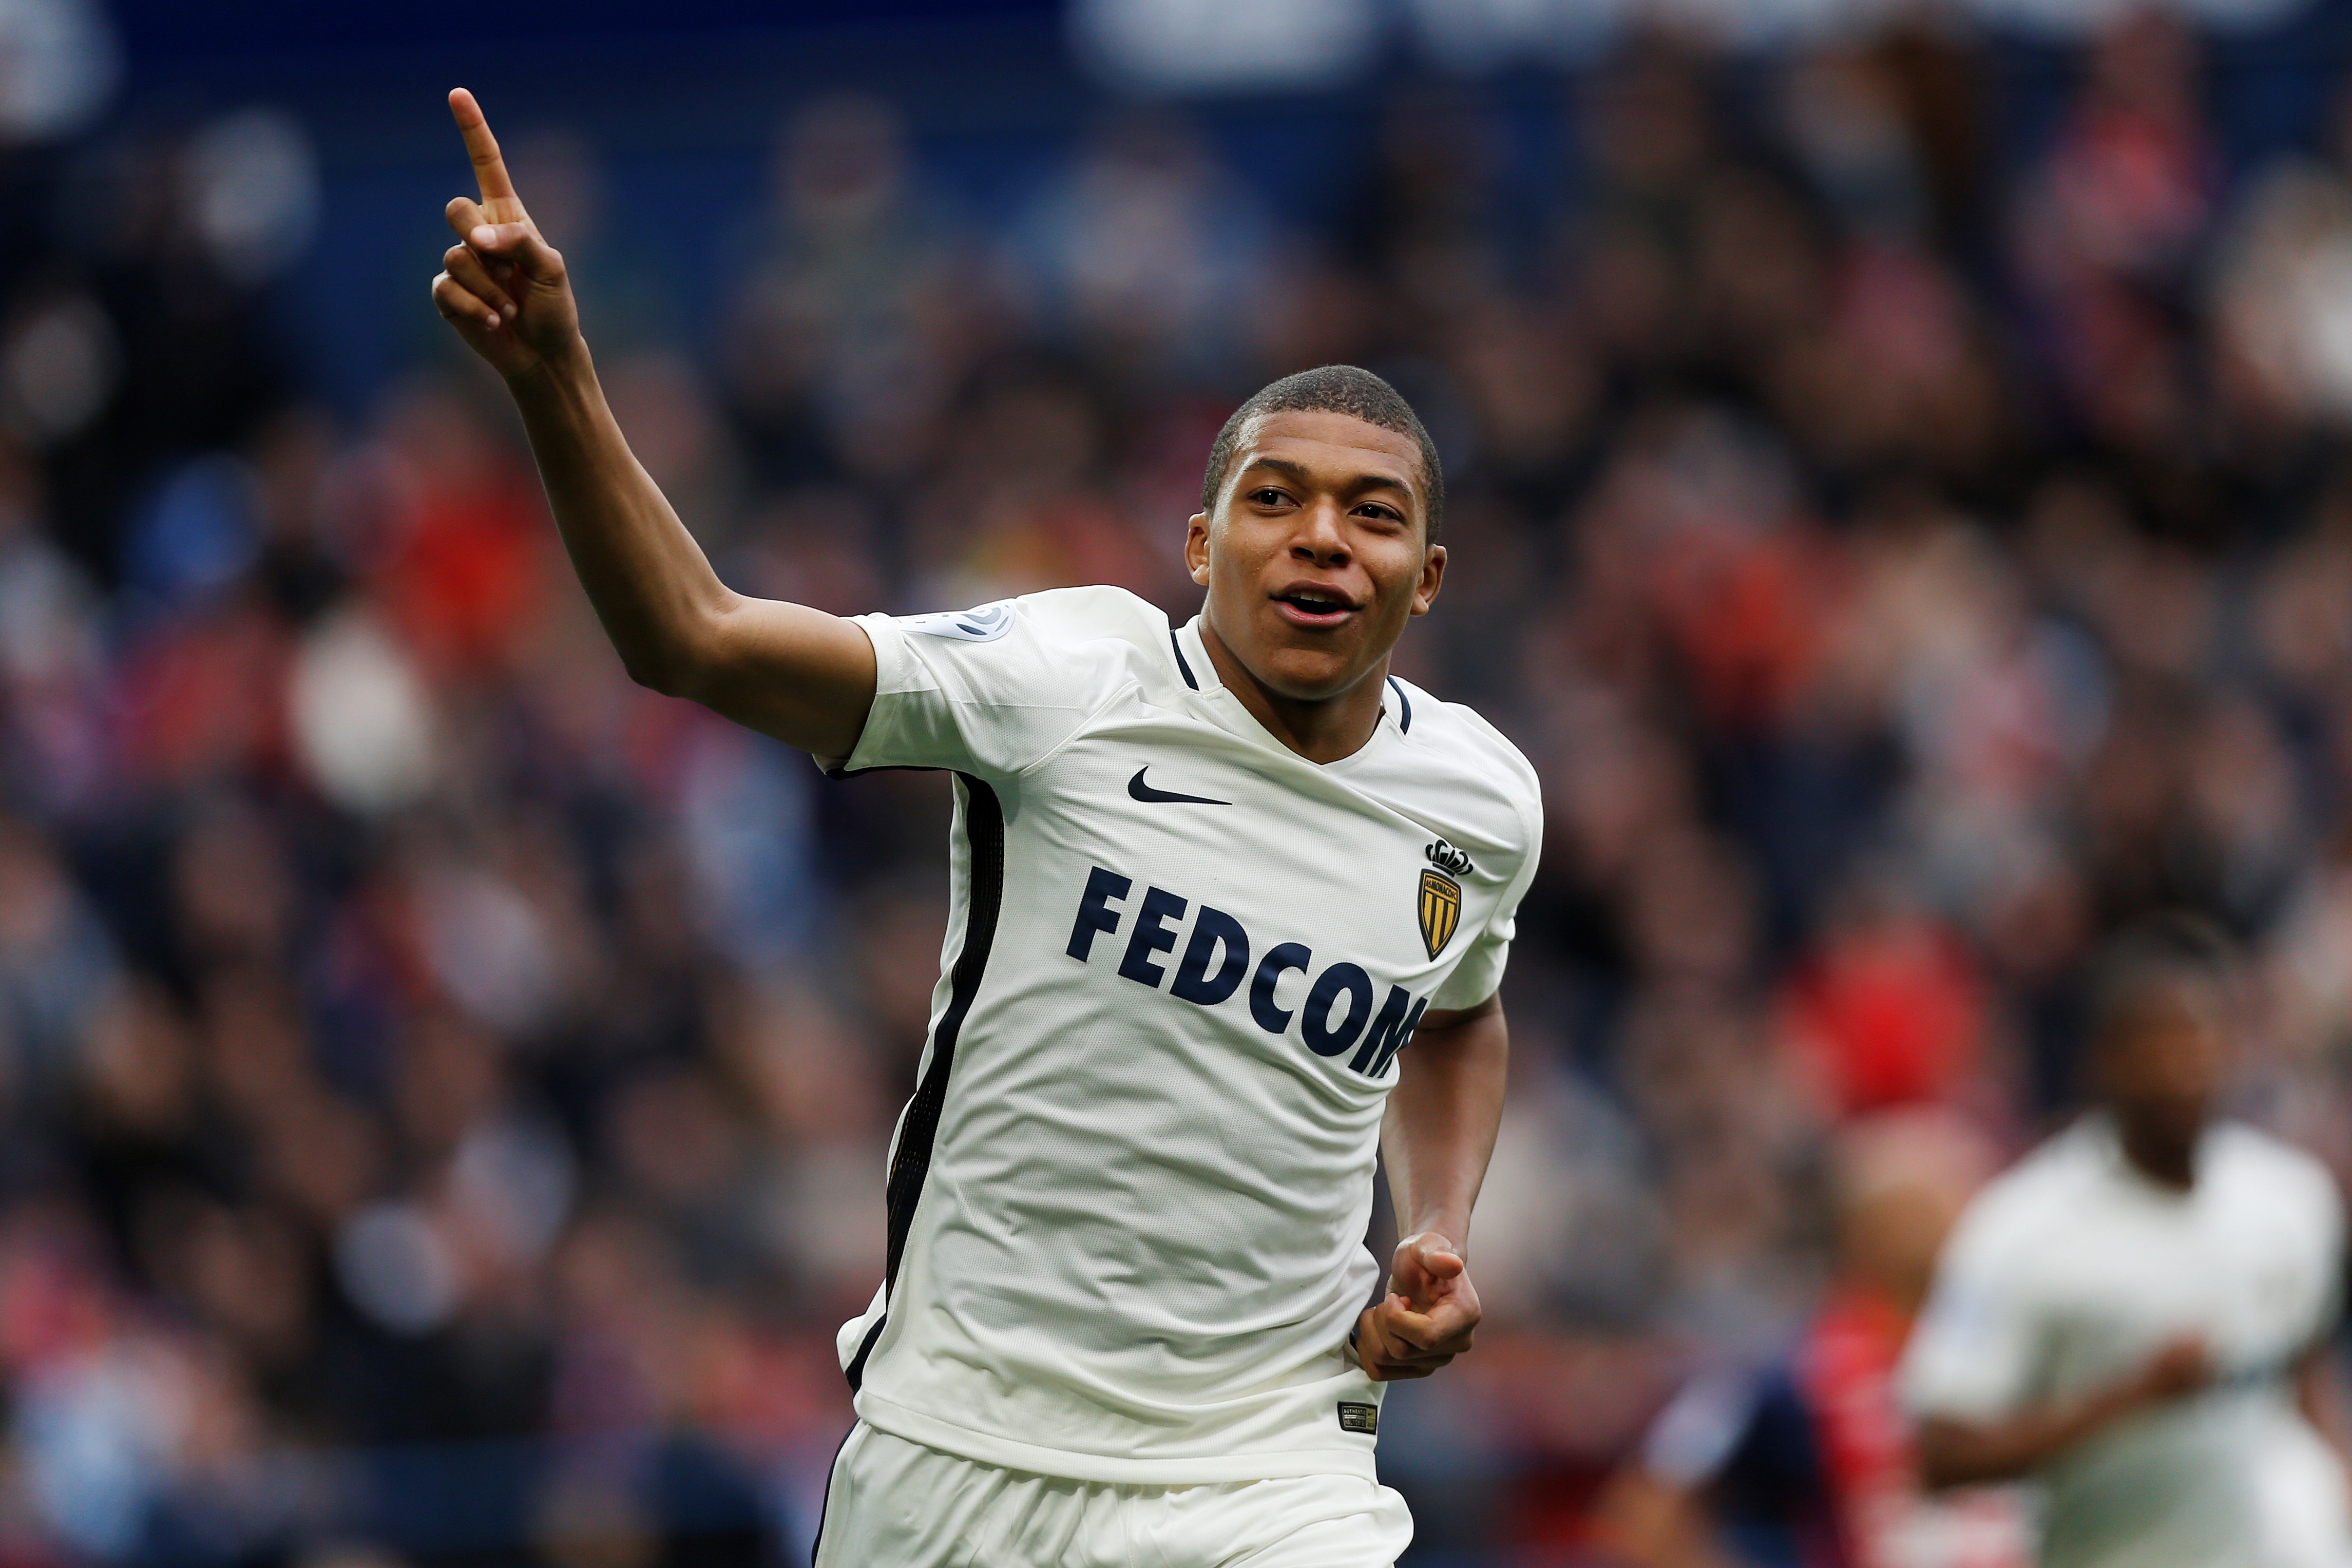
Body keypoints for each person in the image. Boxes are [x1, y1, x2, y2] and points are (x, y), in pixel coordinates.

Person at [428, 89, 1539, 1567]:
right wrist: (558, 377)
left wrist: (1439, 1222)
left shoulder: (1477, 799)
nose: (1322, 534)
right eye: (1275, 498)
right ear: (1202, 546)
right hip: (962, 1450)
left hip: (1270, 1464)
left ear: (1429, 575)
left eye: (1371, 512)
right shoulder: (1068, 676)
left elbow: (1456, 1010)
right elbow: (691, 637)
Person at [1900, 921, 2351, 1568]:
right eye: (2154, 1042)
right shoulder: (2024, 1227)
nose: (2181, 1066)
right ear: (2101, 1057)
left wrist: (2336, 1482)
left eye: (2199, 1036)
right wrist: (2130, 1399)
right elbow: (1940, 1457)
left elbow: (2303, 1357)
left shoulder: (2290, 1196)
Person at [1593, 1108, 2030, 1568]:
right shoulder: (1795, 1370)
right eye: (1929, 1209)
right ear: (1864, 1232)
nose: (1959, 1225)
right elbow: (1645, 1506)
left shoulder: (2018, 1348)